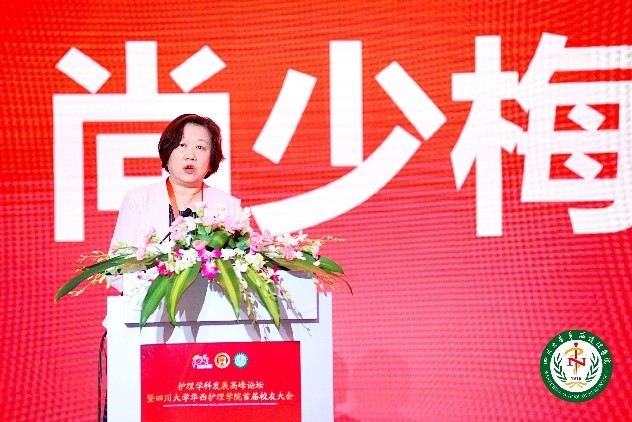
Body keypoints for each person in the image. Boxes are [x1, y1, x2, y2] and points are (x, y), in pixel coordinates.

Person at [110, 113, 241, 250]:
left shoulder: (229, 206)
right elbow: (118, 259)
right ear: (167, 153)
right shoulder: (139, 200)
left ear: (212, 159)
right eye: (182, 145)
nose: (190, 156)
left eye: (200, 147)